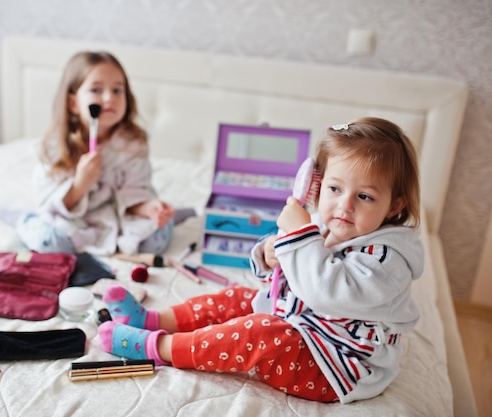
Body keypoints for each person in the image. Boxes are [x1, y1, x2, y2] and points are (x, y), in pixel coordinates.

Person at [97, 117, 424, 404]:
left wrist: (299, 236)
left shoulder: (387, 259)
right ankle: (152, 320)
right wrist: (270, 252)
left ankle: (159, 347)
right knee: (237, 298)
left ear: (394, 206)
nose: (345, 205)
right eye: (334, 188)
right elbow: (286, 273)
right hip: (299, 322)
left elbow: (325, 291)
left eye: (364, 196)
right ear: (317, 186)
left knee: (258, 332)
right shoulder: (328, 224)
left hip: (335, 364)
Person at [13, 51, 192, 256]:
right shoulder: (56, 147)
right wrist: (81, 183)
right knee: (51, 243)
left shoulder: (132, 145)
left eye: (117, 90)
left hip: (116, 217)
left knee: (155, 242)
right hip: (71, 219)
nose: (109, 98)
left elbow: (134, 192)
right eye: (96, 90)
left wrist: (149, 209)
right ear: (73, 104)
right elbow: (51, 204)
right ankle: (26, 221)